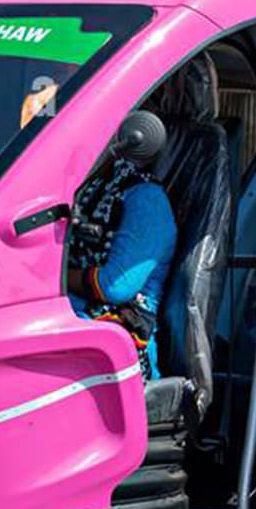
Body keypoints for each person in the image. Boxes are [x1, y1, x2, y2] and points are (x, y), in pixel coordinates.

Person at [68, 110, 177, 379]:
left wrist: (54, 278)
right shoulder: (94, 188)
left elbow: (114, 285)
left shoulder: (146, 200)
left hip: (120, 343)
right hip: (79, 318)